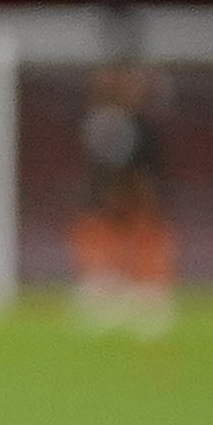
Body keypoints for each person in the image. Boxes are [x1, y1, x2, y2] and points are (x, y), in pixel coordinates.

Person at [66, 44, 174, 334]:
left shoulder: (142, 128)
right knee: (95, 228)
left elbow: (148, 174)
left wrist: (139, 194)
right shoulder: (100, 123)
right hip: (107, 198)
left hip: (135, 198)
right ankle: (106, 285)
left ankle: (145, 288)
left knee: (145, 230)